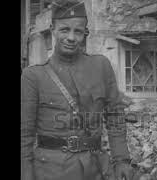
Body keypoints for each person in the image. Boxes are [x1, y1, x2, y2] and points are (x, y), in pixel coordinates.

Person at [21, 1, 132, 180]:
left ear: (85, 33)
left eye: (78, 31)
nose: (71, 38)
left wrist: (122, 160)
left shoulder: (101, 66)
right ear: (53, 29)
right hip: (50, 171)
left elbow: (115, 117)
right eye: (65, 30)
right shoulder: (33, 76)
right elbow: (24, 135)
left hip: (95, 167)